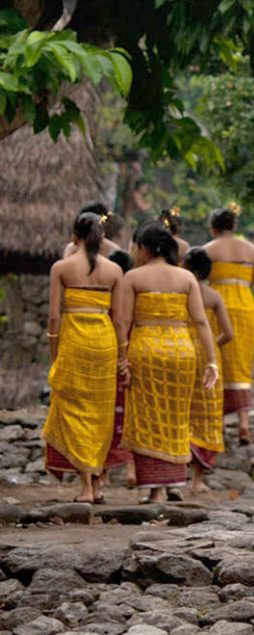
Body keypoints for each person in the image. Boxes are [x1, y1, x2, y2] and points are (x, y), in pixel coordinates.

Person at [116, 222, 219, 503]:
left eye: (137, 247)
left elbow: (123, 321)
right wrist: (212, 362)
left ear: (146, 248)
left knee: (147, 418)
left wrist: (121, 357)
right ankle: (174, 483)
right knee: (176, 417)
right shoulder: (185, 279)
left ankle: (155, 490)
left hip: (146, 351)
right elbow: (200, 321)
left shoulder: (133, 278)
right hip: (181, 353)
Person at [43, 212, 123, 503]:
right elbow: (121, 321)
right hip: (104, 344)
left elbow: (54, 317)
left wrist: (54, 353)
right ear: (101, 239)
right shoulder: (114, 271)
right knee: (100, 414)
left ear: (74, 236)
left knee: (76, 410)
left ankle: (86, 487)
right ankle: (98, 484)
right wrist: (122, 356)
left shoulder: (61, 267)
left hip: (74, 343)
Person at [203, 204, 254, 444]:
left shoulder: (207, 250)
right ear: (234, 226)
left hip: (217, 309)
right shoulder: (251, 250)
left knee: (218, 360)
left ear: (213, 228)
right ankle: (244, 423)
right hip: (245, 308)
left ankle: (217, 421)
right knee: (242, 366)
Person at [182, 247, 234, 494]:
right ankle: (197, 480)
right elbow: (229, 333)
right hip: (209, 357)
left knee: (183, 410)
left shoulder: (179, 293)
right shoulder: (213, 296)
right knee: (207, 413)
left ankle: (176, 474)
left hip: (183, 352)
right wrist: (212, 343)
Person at [100, 249, 135, 488]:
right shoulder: (135, 292)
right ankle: (132, 467)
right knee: (131, 409)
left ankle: (102, 473)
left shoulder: (108, 293)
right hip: (132, 352)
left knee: (107, 410)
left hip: (107, 350)